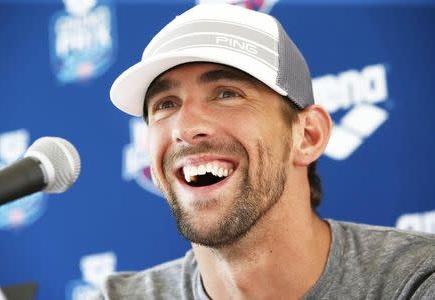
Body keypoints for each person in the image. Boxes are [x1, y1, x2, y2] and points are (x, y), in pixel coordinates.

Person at [104, 3, 435, 299]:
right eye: (166, 104)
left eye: (226, 94)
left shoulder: (414, 281)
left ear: (308, 135)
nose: (184, 128)